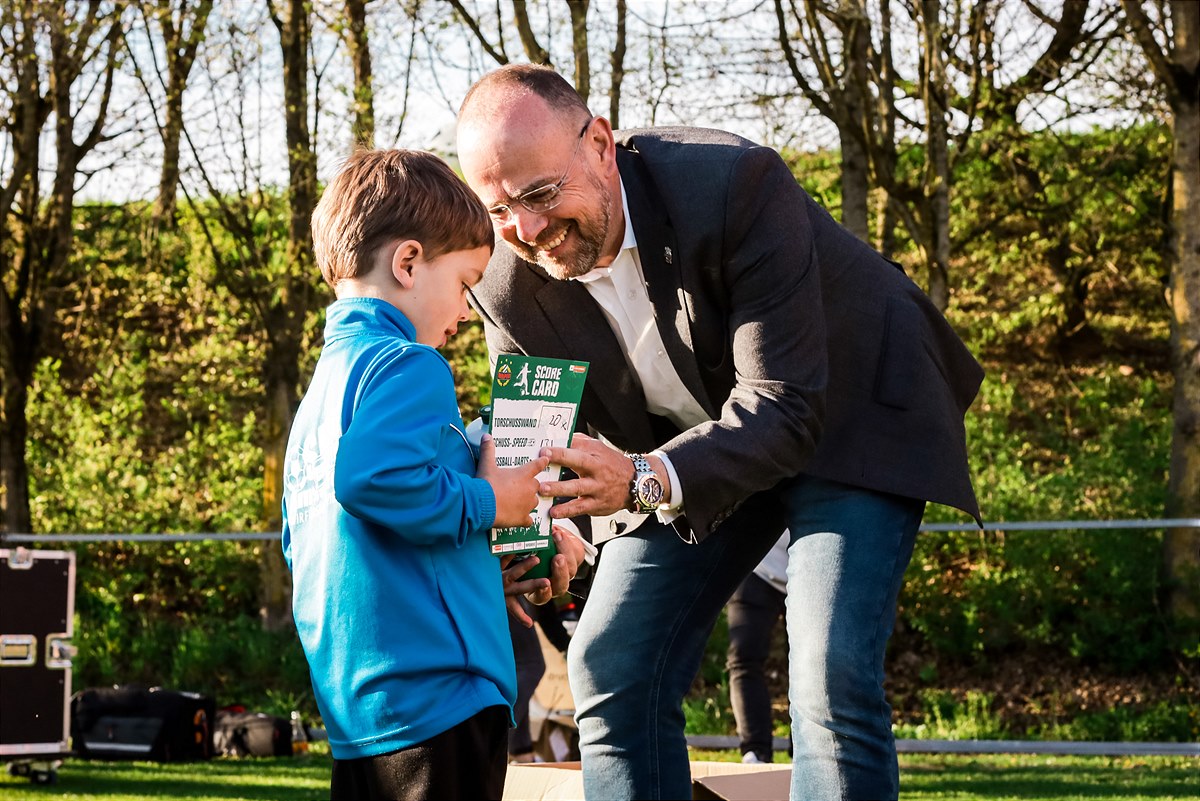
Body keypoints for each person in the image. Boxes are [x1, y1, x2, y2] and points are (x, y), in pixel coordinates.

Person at [455, 65, 983, 801]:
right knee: (610, 660)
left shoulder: (734, 183)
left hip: (846, 412)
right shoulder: (504, 277)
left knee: (827, 669)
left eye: (540, 194)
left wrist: (641, 477)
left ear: (600, 144)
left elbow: (785, 403)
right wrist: (534, 534)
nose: (528, 229)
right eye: (500, 208)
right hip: (700, 443)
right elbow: (531, 432)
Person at [281, 147, 584, 801]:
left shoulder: (323, 394)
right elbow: (371, 480)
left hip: (360, 705)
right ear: (409, 262)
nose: (469, 309)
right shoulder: (408, 364)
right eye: (466, 281)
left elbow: (347, 532)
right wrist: (492, 499)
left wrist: (479, 566)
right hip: (440, 692)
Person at [726, 532, 790, 765]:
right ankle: (755, 752)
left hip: (814, 566)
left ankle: (809, 750)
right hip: (756, 566)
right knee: (743, 656)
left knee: (811, 664)